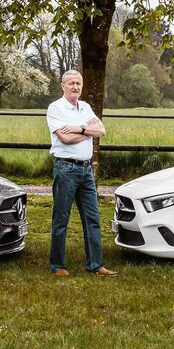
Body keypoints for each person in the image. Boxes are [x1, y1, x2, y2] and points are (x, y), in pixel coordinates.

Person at [47, 69, 116, 276]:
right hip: (66, 168)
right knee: (61, 218)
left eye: (78, 83)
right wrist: (88, 131)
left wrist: (79, 129)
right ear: (63, 85)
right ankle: (58, 265)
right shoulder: (55, 108)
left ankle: (96, 264)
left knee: (92, 218)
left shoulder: (85, 107)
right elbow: (64, 139)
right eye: (71, 83)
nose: (75, 87)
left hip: (86, 170)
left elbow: (101, 130)